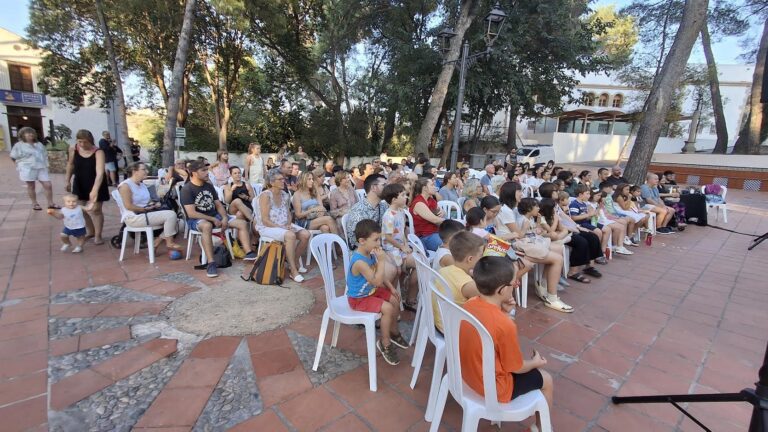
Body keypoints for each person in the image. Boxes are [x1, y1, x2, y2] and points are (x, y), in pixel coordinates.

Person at [459, 256, 554, 430]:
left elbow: (488, 327)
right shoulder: (504, 324)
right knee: (546, 379)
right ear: (502, 290)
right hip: (495, 388)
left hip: (467, 375)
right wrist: (535, 363)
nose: (516, 284)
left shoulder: (468, 304)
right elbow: (515, 368)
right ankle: (541, 428)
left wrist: (502, 311)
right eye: (514, 282)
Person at [181, 160, 257, 278]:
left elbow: (218, 205)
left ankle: (248, 252)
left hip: (214, 216)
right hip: (197, 219)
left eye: (207, 170)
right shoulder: (187, 189)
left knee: (241, 223)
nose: (207, 173)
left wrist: (224, 217)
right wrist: (211, 218)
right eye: (204, 170)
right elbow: (191, 213)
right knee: (207, 226)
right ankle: (211, 263)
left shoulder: (208, 186)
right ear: (194, 173)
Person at [348, 219, 408, 365]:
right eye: (375, 240)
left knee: (394, 300)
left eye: (379, 239)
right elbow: (376, 280)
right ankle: (385, 343)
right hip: (358, 299)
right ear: (362, 241)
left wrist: (392, 288)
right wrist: (381, 261)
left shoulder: (370, 252)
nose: (379, 243)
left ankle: (393, 332)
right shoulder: (359, 261)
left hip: (371, 291)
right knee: (387, 308)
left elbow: (379, 277)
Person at [256, 169, 311, 282]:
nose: (283, 181)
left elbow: (288, 213)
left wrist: (288, 224)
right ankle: (293, 270)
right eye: (280, 179)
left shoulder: (285, 194)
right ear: (272, 182)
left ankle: (293, 261)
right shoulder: (265, 196)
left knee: (306, 234)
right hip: (268, 227)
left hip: (284, 226)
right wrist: (282, 227)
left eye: (283, 179)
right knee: (290, 235)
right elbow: (265, 220)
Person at [118, 162, 181, 252]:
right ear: (134, 171)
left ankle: (157, 242)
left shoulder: (142, 184)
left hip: (144, 213)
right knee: (171, 215)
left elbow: (146, 201)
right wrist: (144, 209)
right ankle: (169, 242)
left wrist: (154, 205)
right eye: (143, 169)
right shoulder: (125, 186)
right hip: (133, 217)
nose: (147, 171)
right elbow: (128, 206)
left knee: (177, 221)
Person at [432, 231, 485, 332]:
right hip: (452, 330)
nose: (482, 258)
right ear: (470, 259)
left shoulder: (443, 270)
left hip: (439, 322)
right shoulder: (469, 285)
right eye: (481, 255)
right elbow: (487, 303)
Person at [66, 129, 110, 245]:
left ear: (90, 140)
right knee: (78, 208)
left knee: (95, 209)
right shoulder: (73, 149)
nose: (82, 144)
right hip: (79, 182)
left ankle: (98, 235)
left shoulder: (98, 152)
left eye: (85, 142)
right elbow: (70, 165)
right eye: (79, 142)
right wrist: (67, 180)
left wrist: (94, 190)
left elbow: (100, 172)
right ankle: (91, 231)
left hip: (96, 182)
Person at [380, 183, 418, 311]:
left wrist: (406, 245)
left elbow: (401, 232)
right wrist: (402, 247)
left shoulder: (401, 211)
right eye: (402, 195)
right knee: (398, 271)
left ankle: (410, 297)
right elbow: (388, 237)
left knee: (420, 263)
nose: (406, 197)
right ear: (394, 199)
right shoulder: (389, 216)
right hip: (391, 248)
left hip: (400, 246)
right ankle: (394, 300)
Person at [10, 127, 57, 211]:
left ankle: (51, 203)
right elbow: (13, 156)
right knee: (31, 186)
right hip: (27, 168)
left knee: (48, 185)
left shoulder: (38, 144)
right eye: (28, 133)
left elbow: (44, 154)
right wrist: (19, 165)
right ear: (23, 135)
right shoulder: (19, 145)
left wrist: (47, 164)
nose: (30, 134)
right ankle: (35, 203)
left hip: (41, 167)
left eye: (32, 133)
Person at [292, 172, 339, 237]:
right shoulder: (297, 194)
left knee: (325, 228)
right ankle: (339, 244)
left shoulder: (314, 191)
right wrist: (312, 210)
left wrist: (321, 212)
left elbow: (321, 207)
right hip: (304, 221)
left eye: (312, 179)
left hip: (317, 217)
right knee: (329, 219)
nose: (312, 181)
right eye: (309, 179)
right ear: (303, 180)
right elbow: (298, 215)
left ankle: (328, 246)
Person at [409, 178, 445, 252]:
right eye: (432, 185)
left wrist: (443, 212)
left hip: (436, 232)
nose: (434, 186)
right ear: (425, 188)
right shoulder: (419, 203)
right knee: (450, 247)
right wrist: (452, 223)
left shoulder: (430, 200)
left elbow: (440, 212)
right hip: (426, 236)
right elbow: (435, 220)